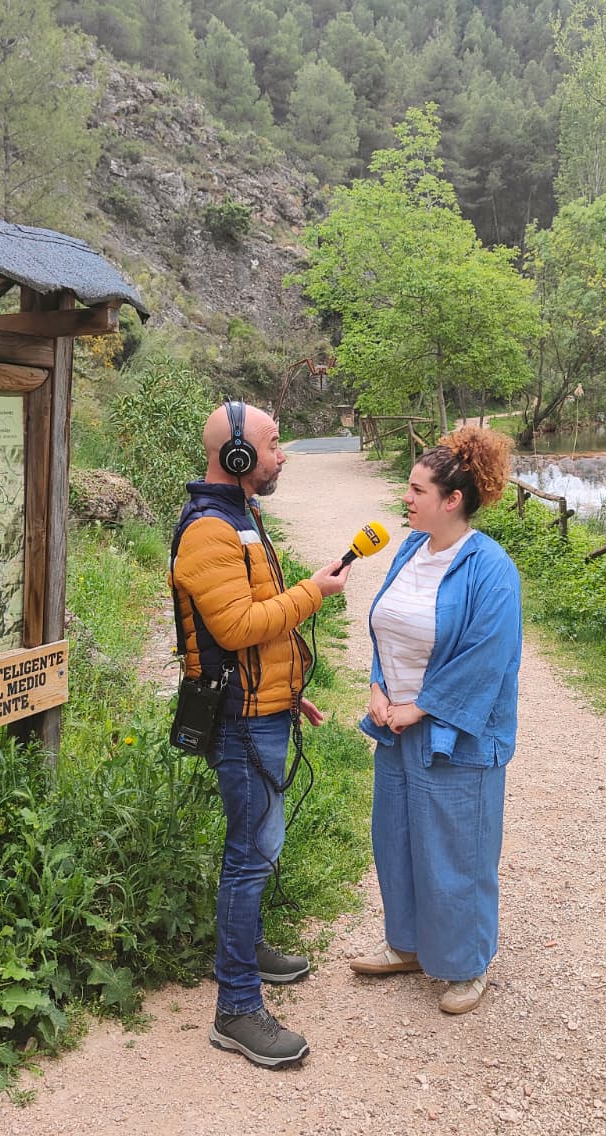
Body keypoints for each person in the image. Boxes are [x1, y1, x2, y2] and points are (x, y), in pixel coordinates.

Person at [169, 399, 352, 1068]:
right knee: (249, 855)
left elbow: (252, 642)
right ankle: (237, 1006)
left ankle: (248, 951)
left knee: (261, 846)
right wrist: (314, 592)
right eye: (274, 444)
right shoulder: (209, 532)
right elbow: (240, 627)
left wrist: (287, 693)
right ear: (237, 456)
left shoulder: (241, 516)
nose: (282, 456)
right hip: (241, 725)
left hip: (262, 710)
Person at [349, 427, 522, 1015]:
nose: (407, 498)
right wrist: (377, 684)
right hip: (397, 728)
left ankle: (464, 966)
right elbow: (388, 624)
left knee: (457, 850)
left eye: (418, 490)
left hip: (455, 734)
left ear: (452, 500)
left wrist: (418, 707)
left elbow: (486, 655)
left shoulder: (491, 568)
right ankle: (408, 946)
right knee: (396, 839)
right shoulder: (408, 550)